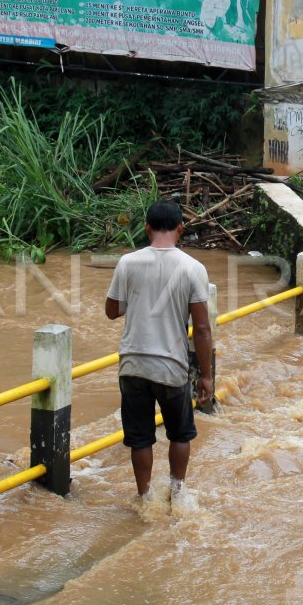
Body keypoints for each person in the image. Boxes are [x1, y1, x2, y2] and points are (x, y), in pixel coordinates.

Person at [105, 200, 213, 503]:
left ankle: (144, 496)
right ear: (180, 228)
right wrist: (206, 376)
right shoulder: (193, 268)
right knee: (180, 434)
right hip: (171, 367)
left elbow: (112, 311)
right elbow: (202, 329)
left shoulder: (128, 263)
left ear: (147, 228)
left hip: (133, 365)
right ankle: (177, 494)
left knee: (140, 438)